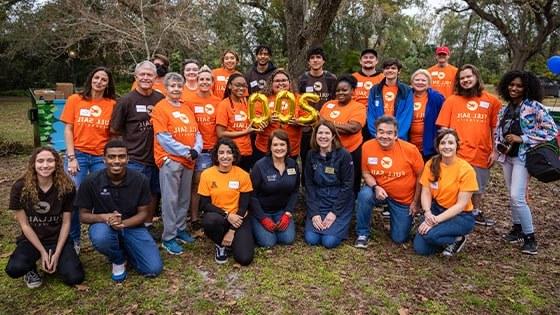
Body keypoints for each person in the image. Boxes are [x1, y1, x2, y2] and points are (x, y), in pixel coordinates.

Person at [76, 139, 163, 282]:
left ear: (128, 159)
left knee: (153, 269)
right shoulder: (91, 181)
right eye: (111, 157)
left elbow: (143, 213)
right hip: (104, 226)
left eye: (121, 156)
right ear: (104, 159)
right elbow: (82, 215)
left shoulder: (140, 179)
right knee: (100, 237)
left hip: (132, 226)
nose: (116, 161)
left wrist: (124, 224)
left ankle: (128, 249)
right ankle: (118, 259)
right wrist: (104, 217)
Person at [496, 70, 558, 255]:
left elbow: (551, 130)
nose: (514, 88)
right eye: (512, 84)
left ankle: (530, 237)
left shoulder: (534, 107)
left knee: (517, 196)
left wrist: (522, 138)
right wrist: (498, 147)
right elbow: (498, 131)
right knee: (511, 194)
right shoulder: (504, 108)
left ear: (527, 88)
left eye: (519, 86)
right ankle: (517, 229)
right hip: (507, 157)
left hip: (524, 157)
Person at [5, 147, 84, 288]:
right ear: (33, 164)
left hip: (57, 239)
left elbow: (66, 223)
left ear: (57, 163)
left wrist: (57, 253)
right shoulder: (20, 187)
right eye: (40, 161)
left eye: (50, 161)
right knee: (14, 269)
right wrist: (42, 251)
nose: (45, 165)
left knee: (75, 277)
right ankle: (31, 269)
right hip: (32, 239)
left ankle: (57, 262)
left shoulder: (67, 187)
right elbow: (25, 225)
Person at [436, 64, 501, 227]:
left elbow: (495, 128)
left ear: (476, 77)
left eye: (468, 77)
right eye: (462, 78)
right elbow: (443, 127)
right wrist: (447, 147)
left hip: (481, 151)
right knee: (452, 184)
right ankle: (452, 211)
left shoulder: (492, 101)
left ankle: (475, 212)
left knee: (477, 186)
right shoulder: (451, 100)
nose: (465, 80)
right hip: (457, 153)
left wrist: (495, 150)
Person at [61, 66, 117, 254]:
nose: (99, 82)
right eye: (96, 78)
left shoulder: (112, 105)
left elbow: (112, 135)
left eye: (104, 79)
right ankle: (74, 239)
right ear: (90, 79)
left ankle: (105, 235)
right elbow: (68, 129)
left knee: (104, 195)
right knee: (73, 195)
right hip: (78, 155)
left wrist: (107, 158)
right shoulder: (75, 100)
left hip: (100, 157)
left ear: (108, 84)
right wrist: (71, 157)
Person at [110, 61, 165, 237]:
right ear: (136, 77)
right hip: (135, 157)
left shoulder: (160, 99)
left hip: (156, 156)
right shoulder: (126, 101)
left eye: (149, 75)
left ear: (155, 78)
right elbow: (114, 129)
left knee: (153, 193)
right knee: (133, 195)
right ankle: (128, 229)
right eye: (142, 74)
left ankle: (147, 225)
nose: (146, 78)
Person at [152, 72, 202, 255]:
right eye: (172, 86)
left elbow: (196, 132)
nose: (176, 89)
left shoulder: (185, 107)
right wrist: (186, 152)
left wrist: (196, 148)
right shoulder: (160, 108)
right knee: (170, 199)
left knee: (183, 198)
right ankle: (169, 237)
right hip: (171, 160)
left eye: (179, 86)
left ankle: (180, 229)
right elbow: (163, 137)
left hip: (188, 160)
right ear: (166, 88)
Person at [354, 116, 424, 248]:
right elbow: (366, 173)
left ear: (396, 135)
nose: (384, 136)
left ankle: (406, 220)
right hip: (380, 192)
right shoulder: (367, 147)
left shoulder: (410, 150)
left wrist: (416, 202)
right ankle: (362, 233)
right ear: (376, 132)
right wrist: (375, 187)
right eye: (381, 132)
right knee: (365, 195)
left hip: (403, 198)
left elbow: (422, 176)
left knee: (399, 238)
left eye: (389, 133)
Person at [413, 129, 478, 256]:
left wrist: (433, 221)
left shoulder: (466, 170)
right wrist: (427, 212)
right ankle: (441, 238)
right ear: (438, 146)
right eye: (443, 143)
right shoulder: (432, 164)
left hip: (460, 216)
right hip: (437, 209)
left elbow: (460, 206)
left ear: (457, 145)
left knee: (430, 235)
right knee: (420, 249)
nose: (446, 146)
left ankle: (458, 239)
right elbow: (426, 191)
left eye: (450, 143)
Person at [199, 138, 254, 265]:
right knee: (210, 220)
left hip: (239, 218)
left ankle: (232, 239)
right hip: (219, 217)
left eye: (229, 152)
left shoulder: (243, 175)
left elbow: (244, 205)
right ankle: (220, 245)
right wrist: (226, 215)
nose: (225, 156)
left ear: (234, 155)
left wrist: (232, 231)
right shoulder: (207, 174)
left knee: (244, 259)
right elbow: (205, 205)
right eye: (221, 152)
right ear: (216, 155)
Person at [183, 66, 221, 233]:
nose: (205, 82)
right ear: (197, 82)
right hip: (197, 149)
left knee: (214, 184)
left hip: (215, 148)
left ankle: (213, 214)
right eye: (202, 79)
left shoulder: (218, 101)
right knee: (196, 184)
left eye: (208, 79)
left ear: (213, 82)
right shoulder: (189, 101)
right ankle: (194, 217)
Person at [304, 120, 354, 249]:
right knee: (311, 239)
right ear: (315, 136)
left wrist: (334, 213)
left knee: (329, 241)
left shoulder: (344, 155)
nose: (323, 136)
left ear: (333, 136)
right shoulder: (311, 155)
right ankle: (318, 220)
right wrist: (314, 212)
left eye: (327, 133)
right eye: (320, 133)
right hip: (319, 199)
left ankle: (339, 226)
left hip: (339, 201)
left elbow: (348, 185)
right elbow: (309, 184)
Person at [251, 129, 299, 247]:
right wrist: (263, 218)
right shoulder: (260, 166)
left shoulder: (293, 164)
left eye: (282, 144)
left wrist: (288, 213)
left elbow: (295, 191)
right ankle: (253, 224)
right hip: (262, 211)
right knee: (268, 242)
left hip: (281, 211)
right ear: (270, 147)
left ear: (287, 146)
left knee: (287, 239)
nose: (279, 148)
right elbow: (251, 195)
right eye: (275, 144)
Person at [319, 74, 366, 194]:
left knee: (350, 180)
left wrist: (328, 125)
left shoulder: (358, 107)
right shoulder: (328, 105)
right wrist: (336, 126)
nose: (341, 93)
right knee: (331, 177)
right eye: (338, 90)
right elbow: (319, 125)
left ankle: (351, 204)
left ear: (353, 91)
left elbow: (353, 128)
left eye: (345, 90)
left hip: (351, 150)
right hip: (330, 150)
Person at [298, 46, 338, 176]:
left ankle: (327, 183)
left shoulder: (331, 78)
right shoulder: (302, 79)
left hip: (326, 126)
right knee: (306, 158)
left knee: (327, 157)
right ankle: (306, 187)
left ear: (323, 61)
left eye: (318, 57)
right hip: (306, 127)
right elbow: (299, 101)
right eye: (312, 58)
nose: (315, 60)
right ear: (308, 62)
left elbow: (335, 101)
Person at [216, 72, 262, 171]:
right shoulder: (224, 105)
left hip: (247, 151)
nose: (241, 88)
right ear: (229, 86)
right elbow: (220, 133)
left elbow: (251, 126)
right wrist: (245, 132)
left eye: (244, 85)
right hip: (231, 153)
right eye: (237, 85)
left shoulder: (247, 103)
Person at [254, 69, 303, 161]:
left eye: (284, 80)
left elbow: (309, 120)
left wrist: (298, 122)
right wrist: (266, 120)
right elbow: (254, 120)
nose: (281, 83)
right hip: (265, 148)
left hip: (290, 148)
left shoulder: (298, 99)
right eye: (277, 81)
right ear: (271, 83)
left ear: (289, 82)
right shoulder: (262, 98)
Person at [366, 58, 413, 140]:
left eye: (393, 68)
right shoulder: (375, 90)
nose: (390, 70)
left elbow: (406, 115)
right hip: (377, 137)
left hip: (399, 137)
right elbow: (371, 114)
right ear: (383, 71)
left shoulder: (406, 90)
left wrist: (396, 135)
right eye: (387, 68)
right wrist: (376, 134)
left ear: (399, 71)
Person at [409, 69, 445, 160]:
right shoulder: (405, 96)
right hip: (408, 143)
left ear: (429, 83)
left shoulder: (437, 98)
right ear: (412, 82)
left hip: (429, 146)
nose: (420, 82)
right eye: (417, 80)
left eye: (423, 80)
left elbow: (444, 119)